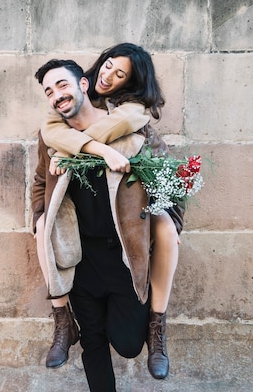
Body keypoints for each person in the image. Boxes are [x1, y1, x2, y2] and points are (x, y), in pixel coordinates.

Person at [32, 59, 183, 391]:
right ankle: (63, 324)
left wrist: (167, 227)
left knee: (128, 344)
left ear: (83, 85)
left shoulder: (132, 129)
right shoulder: (52, 139)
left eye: (62, 85)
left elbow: (170, 183)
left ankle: (155, 328)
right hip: (80, 256)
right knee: (93, 342)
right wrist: (40, 222)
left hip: (124, 257)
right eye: (49, 91)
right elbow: (40, 185)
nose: (57, 95)